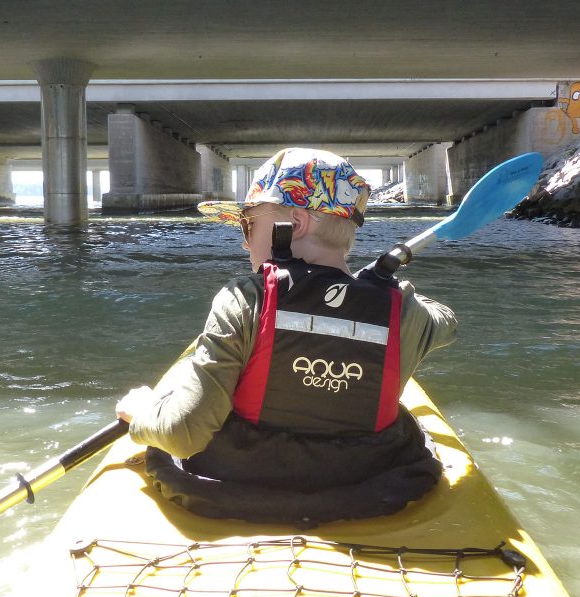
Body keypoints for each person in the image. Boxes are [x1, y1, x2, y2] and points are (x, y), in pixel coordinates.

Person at [116, 148, 457, 527]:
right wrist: (382, 288)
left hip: (235, 486)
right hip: (366, 487)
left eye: (248, 227)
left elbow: (184, 433)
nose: (246, 243)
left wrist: (143, 412)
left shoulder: (243, 299)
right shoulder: (406, 313)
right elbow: (447, 321)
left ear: (295, 222)